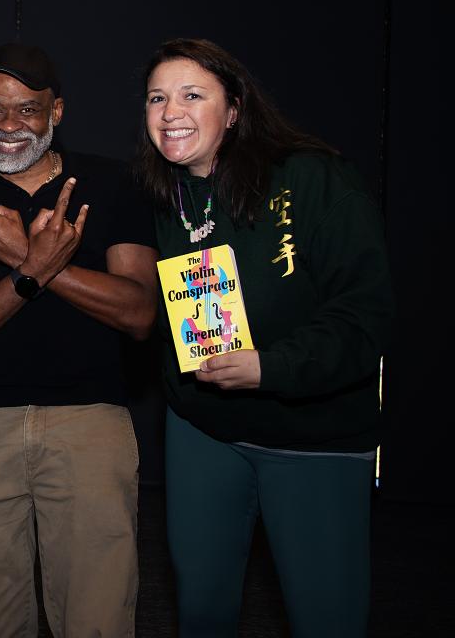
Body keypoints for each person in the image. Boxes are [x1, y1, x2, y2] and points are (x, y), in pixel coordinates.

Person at [139, 38, 392, 637]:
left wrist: (270, 368)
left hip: (313, 436)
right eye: (156, 98)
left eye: (191, 95)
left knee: (326, 620)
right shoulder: (160, 197)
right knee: (200, 613)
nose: (170, 111)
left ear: (234, 108)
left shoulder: (312, 179)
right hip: (203, 432)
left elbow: (366, 316)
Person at [0, 42, 159, 638]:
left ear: (58, 111)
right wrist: (29, 272)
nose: (10, 124)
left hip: (89, 418)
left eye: (28, 109)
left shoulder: (111, 183)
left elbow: (141, 313)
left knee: (97, 619)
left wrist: (27, 256)